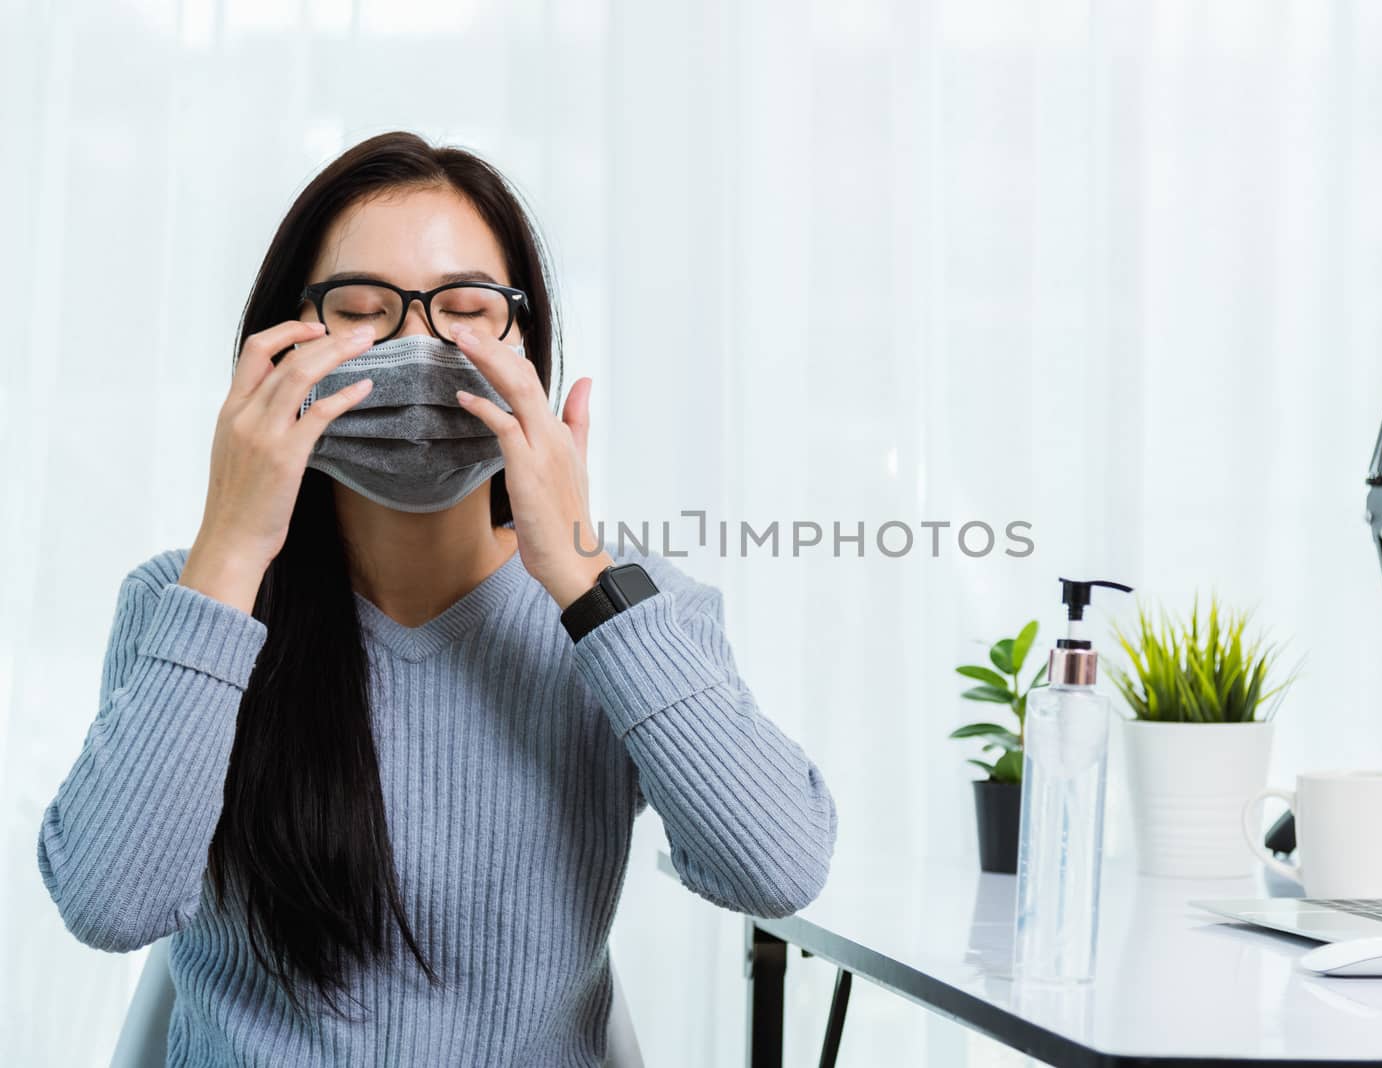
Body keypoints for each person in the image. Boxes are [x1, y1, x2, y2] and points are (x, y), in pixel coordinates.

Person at [36, 130, 837, 1066]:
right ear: (278, 344)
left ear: (525, 349)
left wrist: (581, 578)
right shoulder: (181, 598)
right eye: (362, 309)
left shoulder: (642, 615)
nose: (419, 351)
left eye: (464, 310)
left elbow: (778, 872)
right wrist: (231, 552)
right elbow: (108, 904)